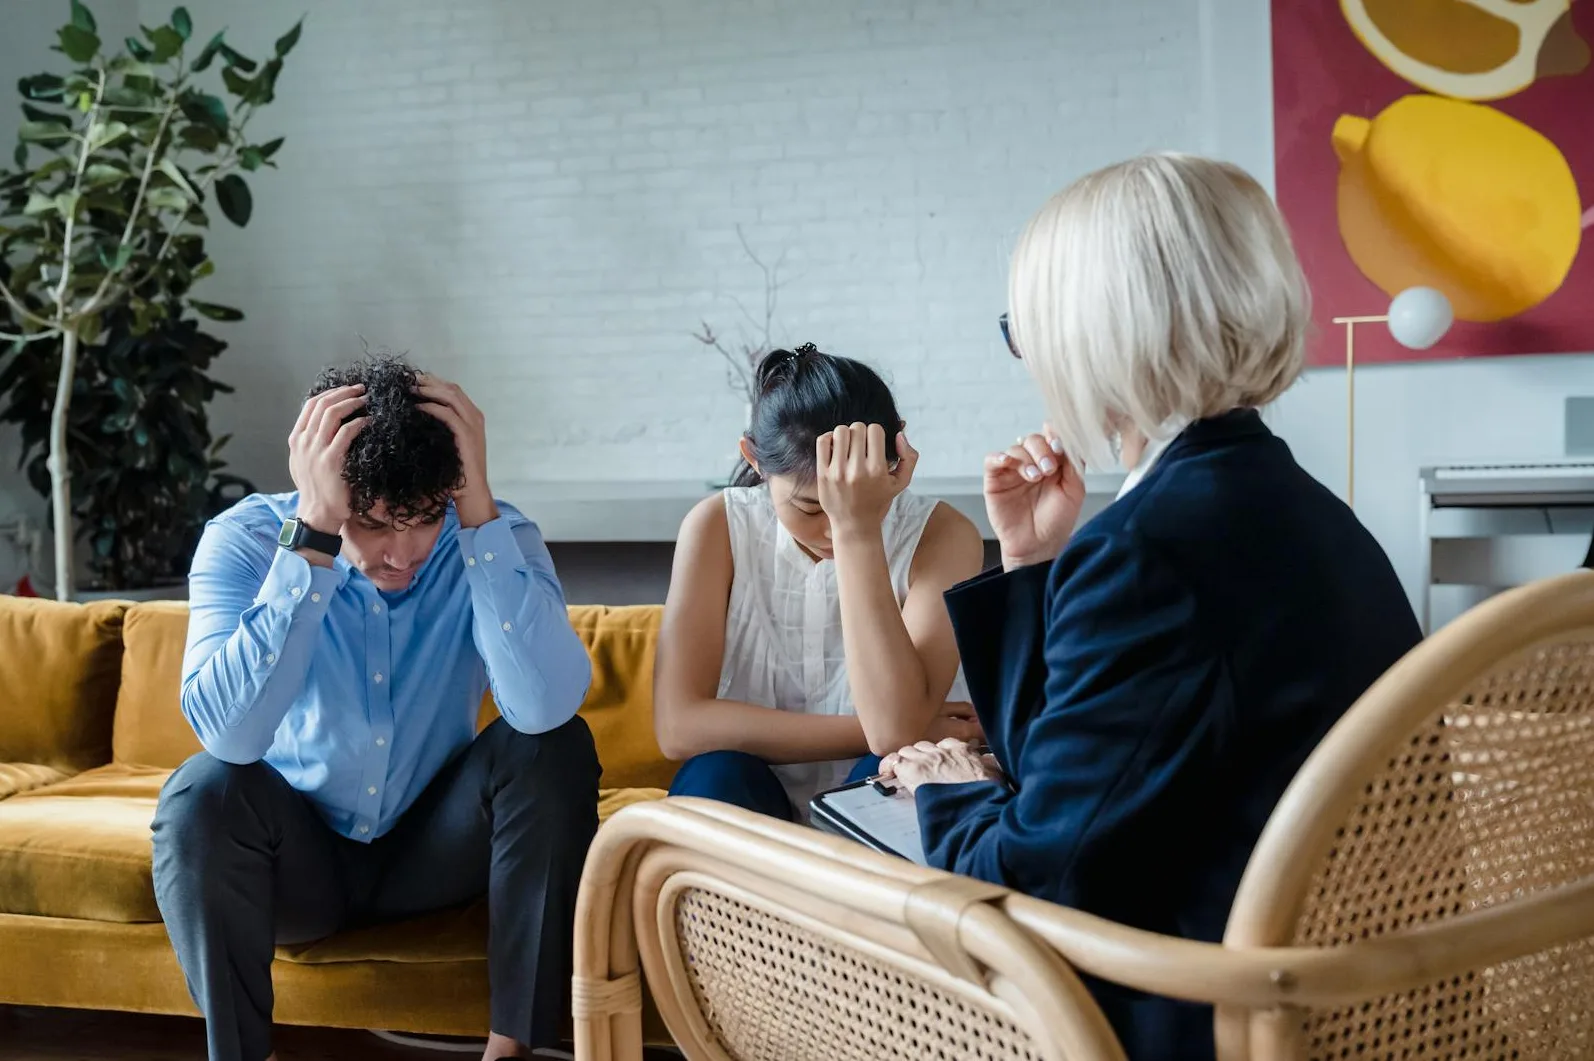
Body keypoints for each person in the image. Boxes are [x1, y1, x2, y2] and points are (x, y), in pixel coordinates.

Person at [879, 154, 1423, 1060]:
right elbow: (1086, 786)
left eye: (1027, 330)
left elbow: (1029, 880)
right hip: (1353, 1008)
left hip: (1199, 1013)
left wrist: (943, 789)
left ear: (1091, 336)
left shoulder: (1149, 550)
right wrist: (1031, 564)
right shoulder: (1308, 511)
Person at [151, 356, 598, 1061]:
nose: (402, 553)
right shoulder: (244, 539)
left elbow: (542, 709)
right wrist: (315, 538)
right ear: (320, 488)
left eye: (421, 518)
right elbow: (229, 737)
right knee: (200, 793)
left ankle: (511, 1050)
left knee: (552, 747)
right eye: (372, 522)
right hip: (299, 860)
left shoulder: (492, 534)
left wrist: (476, 510)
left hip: (434, 849)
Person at [654, 344, 985, 821]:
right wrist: (886, 726)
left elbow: (891, 735)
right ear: (755, 459)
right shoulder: (716, 527)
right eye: (811, 507)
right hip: (750, 792)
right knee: (712, 774)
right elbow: (677, 727)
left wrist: (860, 532)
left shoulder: (944, 535)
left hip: (884, 781)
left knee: (897, 768)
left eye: (851, 502)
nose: (832, 526)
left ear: (896, 458)